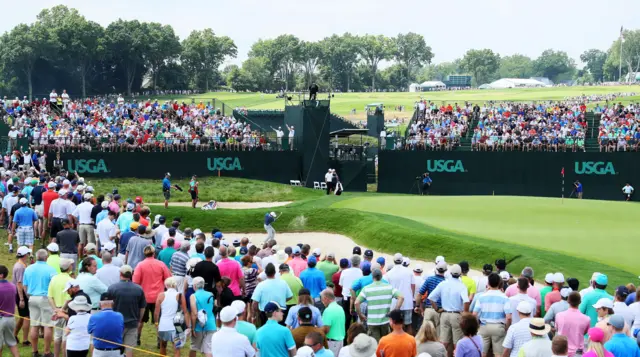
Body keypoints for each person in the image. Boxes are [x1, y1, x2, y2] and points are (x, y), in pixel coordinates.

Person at [428, 264, 470, 352]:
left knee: (444, 342)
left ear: (450, 273)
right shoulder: (462, 286)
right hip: (456, 315)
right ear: (460, 274)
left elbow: (431, 297)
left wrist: (437, 309)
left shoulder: (443, 283)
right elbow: (466, 301)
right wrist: (465, 313)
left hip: (444, 314)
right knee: (457, 343)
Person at [23, 249, 57, 357]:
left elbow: (25, 285)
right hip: (45, 298)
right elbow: (54, 286)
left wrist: (28, 296)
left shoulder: (28, 269)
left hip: (32, 297)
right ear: (46, 258)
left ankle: (35, 351)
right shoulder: (51, 269)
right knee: (48, 325)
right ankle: (47, 351)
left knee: (34, 325)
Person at [133, 245, 171, 342]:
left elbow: (135, 282)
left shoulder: (140, 265)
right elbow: (168, 279)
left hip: (144, 297)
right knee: (158, 320)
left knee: (140, 319)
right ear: (154, 253)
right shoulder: (161, 264)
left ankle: (137, 337)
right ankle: (160, 340)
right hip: (158, 297)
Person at [356, 267, 404, 341]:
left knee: (375, 344)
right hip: (385, 321)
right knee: (386, 342)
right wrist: (395, 310)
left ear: (372, 277)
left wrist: (360, 314)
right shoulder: (389, 287)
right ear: (381, 276)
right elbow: (401, 297)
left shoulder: (366, 289)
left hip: (372, 322)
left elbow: (356, 303)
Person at [107, 265, 146, 357]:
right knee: (129, 350)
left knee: (115, 348)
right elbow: (142, 307)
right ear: (132, 274)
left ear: (120, 273)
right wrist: (139, 319)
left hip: (116, 323)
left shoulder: (112, 288)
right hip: (132, 323)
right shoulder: (138, 289)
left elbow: (108, 306)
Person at [472, 272, 511, 357]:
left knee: (482, 353)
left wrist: (478, 325)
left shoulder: (481, 297)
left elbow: (474, 314)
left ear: (488, 283)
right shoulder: (504, 298)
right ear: (500, 283)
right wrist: (506, 328)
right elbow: (508, 317)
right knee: (498, 354)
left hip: (484, 326)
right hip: (498, 327)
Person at [154, 277, 190, 357]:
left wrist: (156, 323)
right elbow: (186, 312)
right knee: (177, 348)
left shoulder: (161, 295)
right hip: (176, 328)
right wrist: (188, 326)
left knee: (163, 346)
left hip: (163, 326)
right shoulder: (180, 296)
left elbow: (156, 313)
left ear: (166, 285)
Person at [384, 253, 415, 334]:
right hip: (407, 302)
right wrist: (411, 297)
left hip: (394, 303)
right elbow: (412, 286)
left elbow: (387, 289)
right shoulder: (409, 272)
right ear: (402, 261)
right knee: (408, 325)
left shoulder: (388, 274)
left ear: (394, 261)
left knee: (394, 325)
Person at [88, 293, 125, 357]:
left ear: (100, 304)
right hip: (116, 352)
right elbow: (122, 329)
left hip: (99, 352)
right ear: (113, 304)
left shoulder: (94, 317)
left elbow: (89, 331)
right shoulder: (120, 316)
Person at [189, 276, 216, 357]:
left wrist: (193, 328)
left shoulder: (193, 296)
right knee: (208, 348)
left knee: (194, 347)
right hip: (211, 324)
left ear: (194, 286)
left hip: (199, 325)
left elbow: (194, 314)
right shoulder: (211, 294)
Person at [12, 246, 31, 348]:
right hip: (21, 294)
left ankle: (14, 335)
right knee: (27, 317)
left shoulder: (21, 264)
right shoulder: (20, 267)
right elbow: (19, 283)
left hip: (20, 293)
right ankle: (25, 340)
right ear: (25, 255)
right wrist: (22, 299)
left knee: (23, 317)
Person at [0, 264, 19, 357]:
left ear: (1, 275)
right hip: (11, 319)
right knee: (12, 343)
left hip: (1, 319)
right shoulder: (12, 286)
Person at [321, 288, 346, 356]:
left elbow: (326, 329)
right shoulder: (340, 308)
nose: (322, 302)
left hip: (331, 342)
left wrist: (316, 329)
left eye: (322, 299)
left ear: (326, 298)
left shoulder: (328, 310)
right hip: (340, 340)